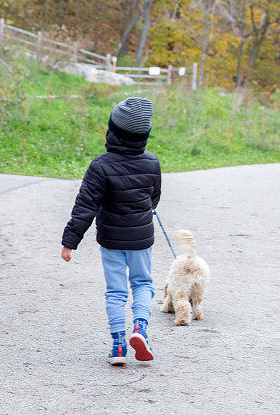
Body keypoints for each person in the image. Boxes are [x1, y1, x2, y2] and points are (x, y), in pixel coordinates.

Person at [60, 97, 161, 365]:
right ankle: (140, 329)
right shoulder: (152, 163)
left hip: (112, 240)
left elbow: (85, 206)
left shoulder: (100, 165)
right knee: (142, 284)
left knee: (116, 292)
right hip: (141, 239)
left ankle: (118, 346)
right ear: (144, 135)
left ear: (112, 131)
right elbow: (153, 199)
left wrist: (70, 240)